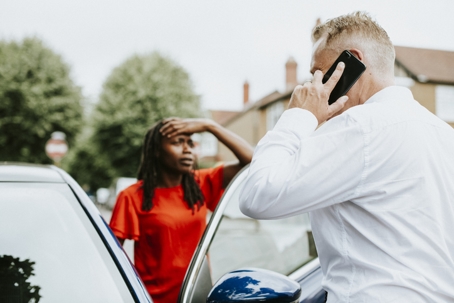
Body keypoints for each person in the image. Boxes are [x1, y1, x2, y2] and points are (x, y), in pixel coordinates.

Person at [239, 11, 454, 302]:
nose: (314, 84)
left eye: (318, 72)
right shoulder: (443, 134)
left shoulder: (359, 127)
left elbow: (257, 195)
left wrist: (298, 115)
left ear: (352, 62)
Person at [109, 117, 253, 303]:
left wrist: (210, 126)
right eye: (178, 142)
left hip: (196, 297)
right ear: (157, 151)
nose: (187, 149)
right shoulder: (132, 196)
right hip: (151, 299)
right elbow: (112, 257)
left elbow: (252, 161)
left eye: (190, 143)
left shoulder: (200, 183)